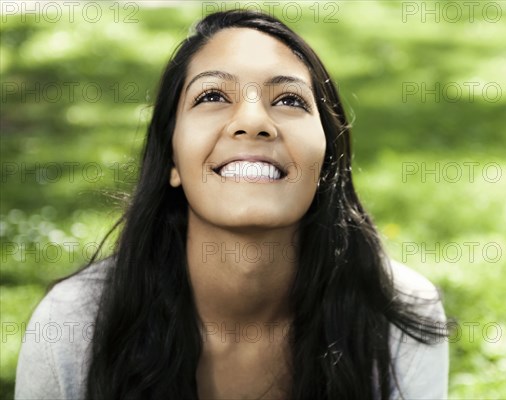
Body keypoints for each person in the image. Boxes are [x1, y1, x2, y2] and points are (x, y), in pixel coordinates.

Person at [15, 9, 448, 400]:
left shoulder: (397, 314)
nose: (254, 121)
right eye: (213, 97)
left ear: (327, 161)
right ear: (171, 159)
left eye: (289, 100)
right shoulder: (75, 326)